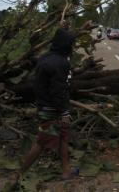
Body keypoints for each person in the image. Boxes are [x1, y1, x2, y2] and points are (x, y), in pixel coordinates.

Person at [16, 28, 76, 181]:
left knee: (63, 137)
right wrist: (64, 112)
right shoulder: (60, 63)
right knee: (41, 142)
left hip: (44, 104)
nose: (73, 47)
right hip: (52, 109)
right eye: (72, 44)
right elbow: (58, 91)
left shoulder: (46, 58)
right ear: (66, 45)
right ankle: (19, 175)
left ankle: (66, 171)